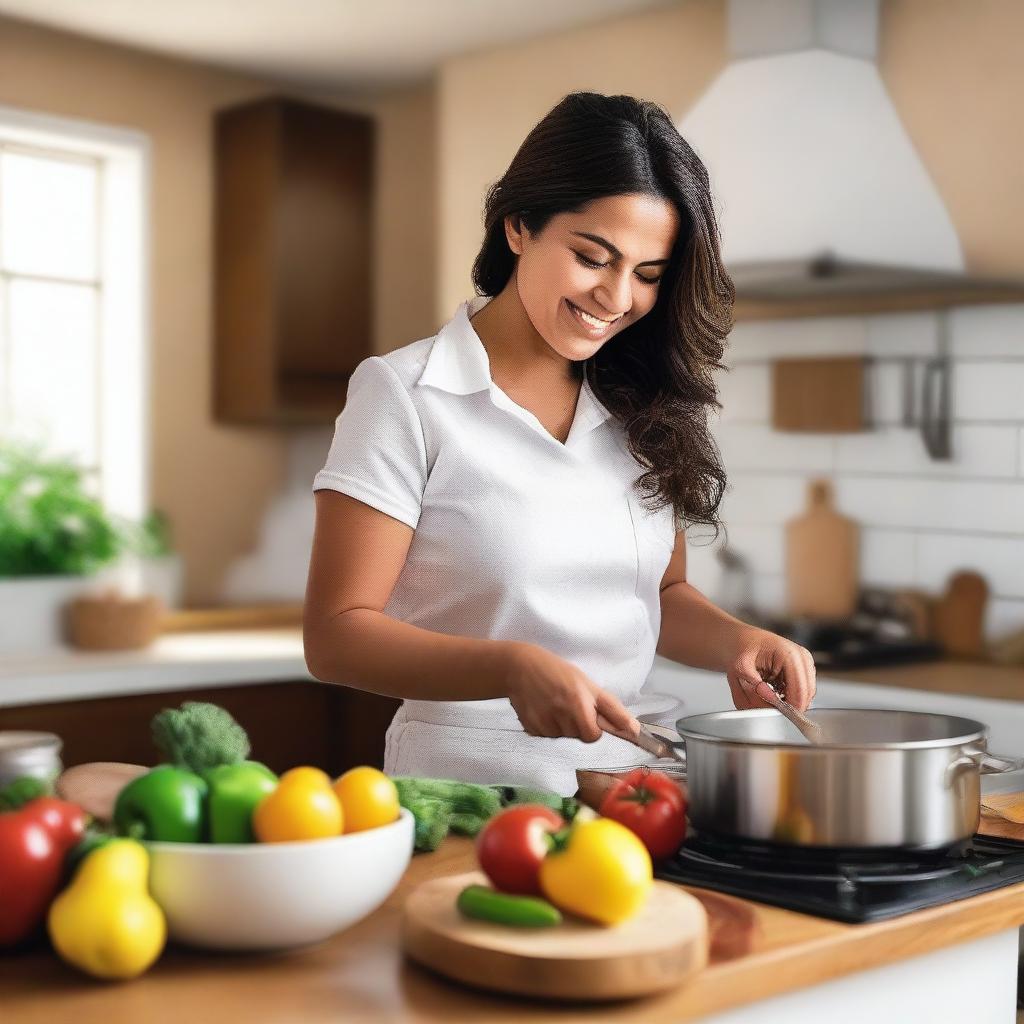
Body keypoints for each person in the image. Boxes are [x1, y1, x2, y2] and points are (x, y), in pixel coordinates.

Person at [304, 92, 815, 796]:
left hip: (640, 786)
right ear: (518, 226)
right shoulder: (405, 395)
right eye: (592, 257)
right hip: (473, 795)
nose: (615, 297)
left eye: (646, 275)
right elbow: (335, 635)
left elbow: (658, 594)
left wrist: (738, 641)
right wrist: (509, 667)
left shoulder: (642, 404)